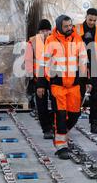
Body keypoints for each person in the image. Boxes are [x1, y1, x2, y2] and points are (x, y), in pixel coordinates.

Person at [37, 15, 91, 160]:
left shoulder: (77, 39)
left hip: (74, 85)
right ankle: (61, 146)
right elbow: (43, 64)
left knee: (74, 114)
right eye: (66, 26)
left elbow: (84, 62)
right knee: (60, 115)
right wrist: (41, 84)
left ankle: (60, 132)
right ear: (60, 26)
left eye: (70, 25)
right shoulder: (51, 40)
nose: (69, 28)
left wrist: (87, 81)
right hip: (57, 85)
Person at [76, 8, 97, 134]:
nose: (92, 22)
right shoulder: (76, 29)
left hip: (95, 67)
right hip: (80, 67)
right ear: (86, 16)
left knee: (95, 97)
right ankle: (70, 120)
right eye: (90, 19)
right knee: (77, 96)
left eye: (94, 20)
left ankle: (94, 123)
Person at [25, 19, 54, 139]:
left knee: (56, 104)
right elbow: (28, 60)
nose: (45, 32)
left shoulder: (55, 40)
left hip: (53, 77)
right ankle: (46, 129)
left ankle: (54, 124)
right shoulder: (32, 42)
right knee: (41, 105)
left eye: (47, 30)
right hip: (39, 78)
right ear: (39, 31)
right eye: (42, 30)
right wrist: (31, 76)